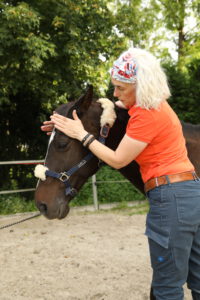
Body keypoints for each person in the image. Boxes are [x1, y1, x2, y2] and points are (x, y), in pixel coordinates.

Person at [42, 48, 200, 300]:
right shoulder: (152, 105)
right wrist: (64, 125)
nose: (115, 93)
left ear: (140, 85)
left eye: (120, 87)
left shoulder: (147, 116)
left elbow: (118, 159)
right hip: (190, 194)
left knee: (166, 288)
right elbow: (107, 105)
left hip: (171, 199)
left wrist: (82, 135)